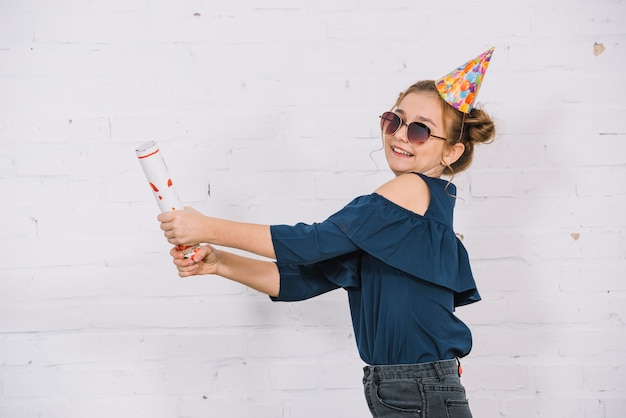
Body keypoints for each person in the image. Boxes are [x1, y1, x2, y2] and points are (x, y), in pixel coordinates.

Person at [158, 48, 496, 418]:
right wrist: (220, 262)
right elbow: (304, 281)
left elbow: (311, 242)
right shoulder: (401, 220)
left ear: (452, 152)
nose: (400, 135)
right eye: (393, 120)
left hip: (417, 387)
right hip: (407, 386)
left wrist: (207, 226)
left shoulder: (412, 190)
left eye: (419, 130)